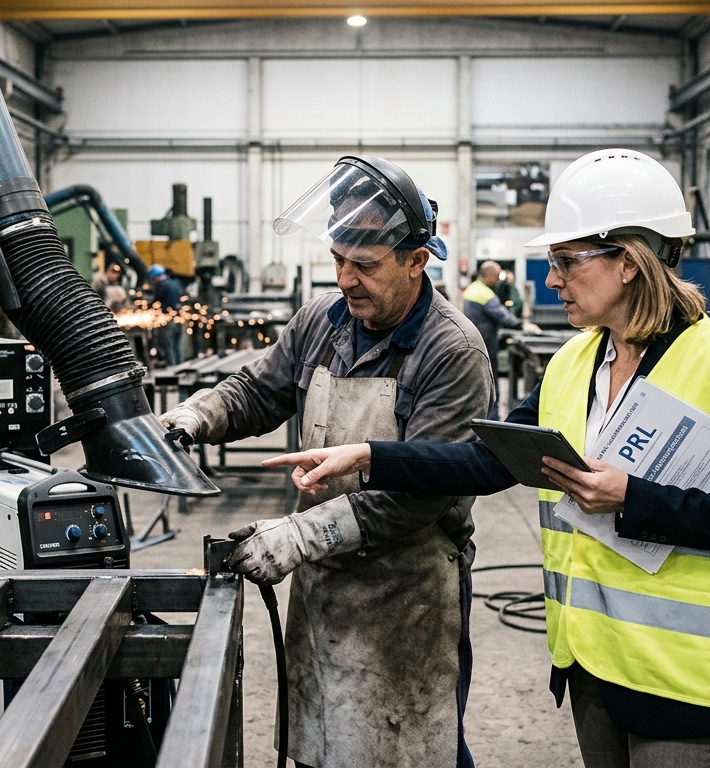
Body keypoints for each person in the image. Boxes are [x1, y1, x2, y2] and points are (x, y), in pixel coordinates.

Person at [265, 148, 710, 768]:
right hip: (596, 664)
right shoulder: (577, 363)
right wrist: (369, 455)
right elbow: (486, 462)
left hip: (690, 678)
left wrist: (633, 497)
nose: (552, 280)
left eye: (567, 262)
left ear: (629, 262)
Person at [160, 156, 493, 768]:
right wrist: (195, 416)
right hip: (323, 586)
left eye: (365, 265)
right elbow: (260, 391)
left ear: (417, 260)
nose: (346, 280)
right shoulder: (322, 321)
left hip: (408, 593)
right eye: (338, 261)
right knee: (322, 745)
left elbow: (421, 492)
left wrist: (299, 536)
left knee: (411, 750)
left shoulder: (451, 349)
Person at [462, 260, 539, 382]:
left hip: (473, 338)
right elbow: (502, 316)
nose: (498, 280)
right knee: (489, 372)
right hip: (486, 339)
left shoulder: (472, 288)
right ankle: (493, 395)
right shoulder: (485, 293)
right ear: (489, 275)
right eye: (497, 276)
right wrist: (522, 325)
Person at [149, 264, 186, 366]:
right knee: (177, 344)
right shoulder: (175, 283)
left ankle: (172, 367)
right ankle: (181, 366)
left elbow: (155, 302)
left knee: (168, 345)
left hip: (168, 319)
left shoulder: (161, 285)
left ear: (156, 276)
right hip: (179, 317)